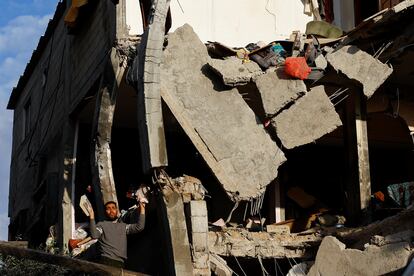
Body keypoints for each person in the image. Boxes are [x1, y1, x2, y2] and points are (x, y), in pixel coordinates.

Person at [87, 197, 146, 268]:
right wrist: (92, 217)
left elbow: (139, 227)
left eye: (113, 208)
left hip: (120, 263)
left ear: (117, 210)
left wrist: (142, 209)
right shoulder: (102, 225)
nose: (111, 210)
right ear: (105, 211)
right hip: (106, 261)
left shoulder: (123, 226)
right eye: (108, 208)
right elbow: (94, 235)